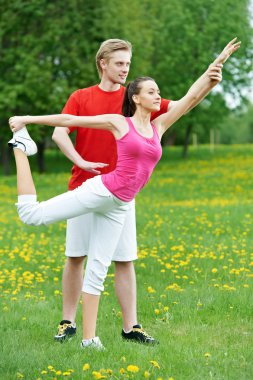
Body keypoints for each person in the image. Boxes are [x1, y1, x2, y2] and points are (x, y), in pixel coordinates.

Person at [8, 37, 240, 350]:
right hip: (100, 190)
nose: (159, 96)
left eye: (158, 91)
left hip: (121, 204)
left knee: (99, 269)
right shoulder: (119, 122)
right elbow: (68, 121)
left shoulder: (159, 127)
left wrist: (215, 69)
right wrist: (26, 120)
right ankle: (21, 149)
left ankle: (89, 340)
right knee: (31, 216)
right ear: (136, 97)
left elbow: (190, 98)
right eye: (152, 91)